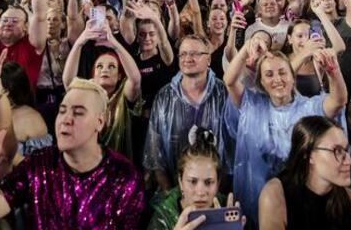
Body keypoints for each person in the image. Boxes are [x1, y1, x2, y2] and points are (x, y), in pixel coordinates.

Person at [0, 78, 145, 230]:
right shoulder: (38, 164)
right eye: (62, 111)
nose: (66, 120)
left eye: (78, 113)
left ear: (100, 122)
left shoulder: (124, 177)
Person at [224, 36, 347, 224]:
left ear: (292, 76)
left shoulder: (309, 107)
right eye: (269, 75)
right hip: (255, 197)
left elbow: (338, 101)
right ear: (261, 82)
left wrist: (333, 72)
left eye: (283, 72)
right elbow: (230, 81)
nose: (277, 79)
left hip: (300, 202)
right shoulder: (252, 104)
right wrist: (247, 49)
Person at [144, 34, 231, 191]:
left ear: (209, 59)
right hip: (173, 191)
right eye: (183, 54)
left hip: (216, 191)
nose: (187, 58)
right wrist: (170, 196)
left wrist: (216, 194)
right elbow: (155, 152)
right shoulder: (164, 96)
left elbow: (231, 151)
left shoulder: (223, 94)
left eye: (194, 53)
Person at [257, 116, 351, 229]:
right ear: (308, 154)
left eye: (347, 150)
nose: (350, 161)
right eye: (337, 151)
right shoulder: (275, 197)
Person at [62, 21, 142, 160]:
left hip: (119, 165)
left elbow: (135, 79)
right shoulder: (87, 93)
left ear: (119, 76)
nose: (105, 69)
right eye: (99, 66)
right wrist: (80, 42)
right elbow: (68, 82)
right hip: (89, 163)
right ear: (93, 75)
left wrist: (115, 45)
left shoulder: (123, 94)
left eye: (112, 66)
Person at [147, 128, 232, 230]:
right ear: (180, 182)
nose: (200, 193)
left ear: (218, 183)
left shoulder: (228, 211)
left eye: (209, 182)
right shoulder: (163, 216)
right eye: (193, 181)